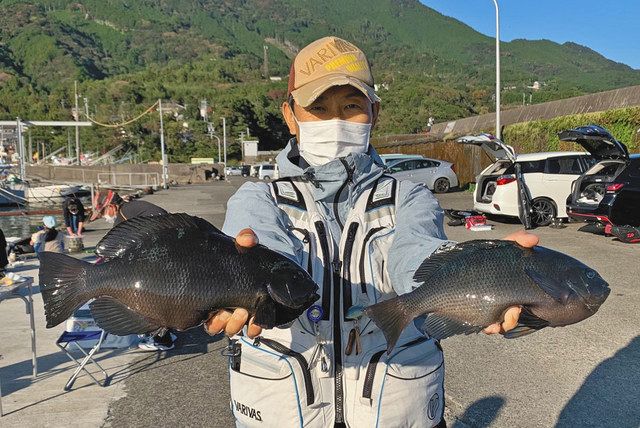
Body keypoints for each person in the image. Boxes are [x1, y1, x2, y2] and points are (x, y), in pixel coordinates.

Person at [204, 36, 536, 427]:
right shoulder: (257, 198)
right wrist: (244, 284)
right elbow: (267, 254)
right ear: (291, 116)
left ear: (374, 112)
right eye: (318, 108)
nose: (336, 121)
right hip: (284, 407)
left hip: (397, 408)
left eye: (351, 106)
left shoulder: (411, 197)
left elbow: (417, 257)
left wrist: (480, 271)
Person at [91, 189, 176, 351]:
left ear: (112, 206)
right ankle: (166, 331)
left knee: (148, 297)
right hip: (167, 250)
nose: (103, 216)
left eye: (103, 212)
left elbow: (116, 248)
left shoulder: (123, 215)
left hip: (162, 254)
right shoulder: (131, 208)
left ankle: (162, 338)